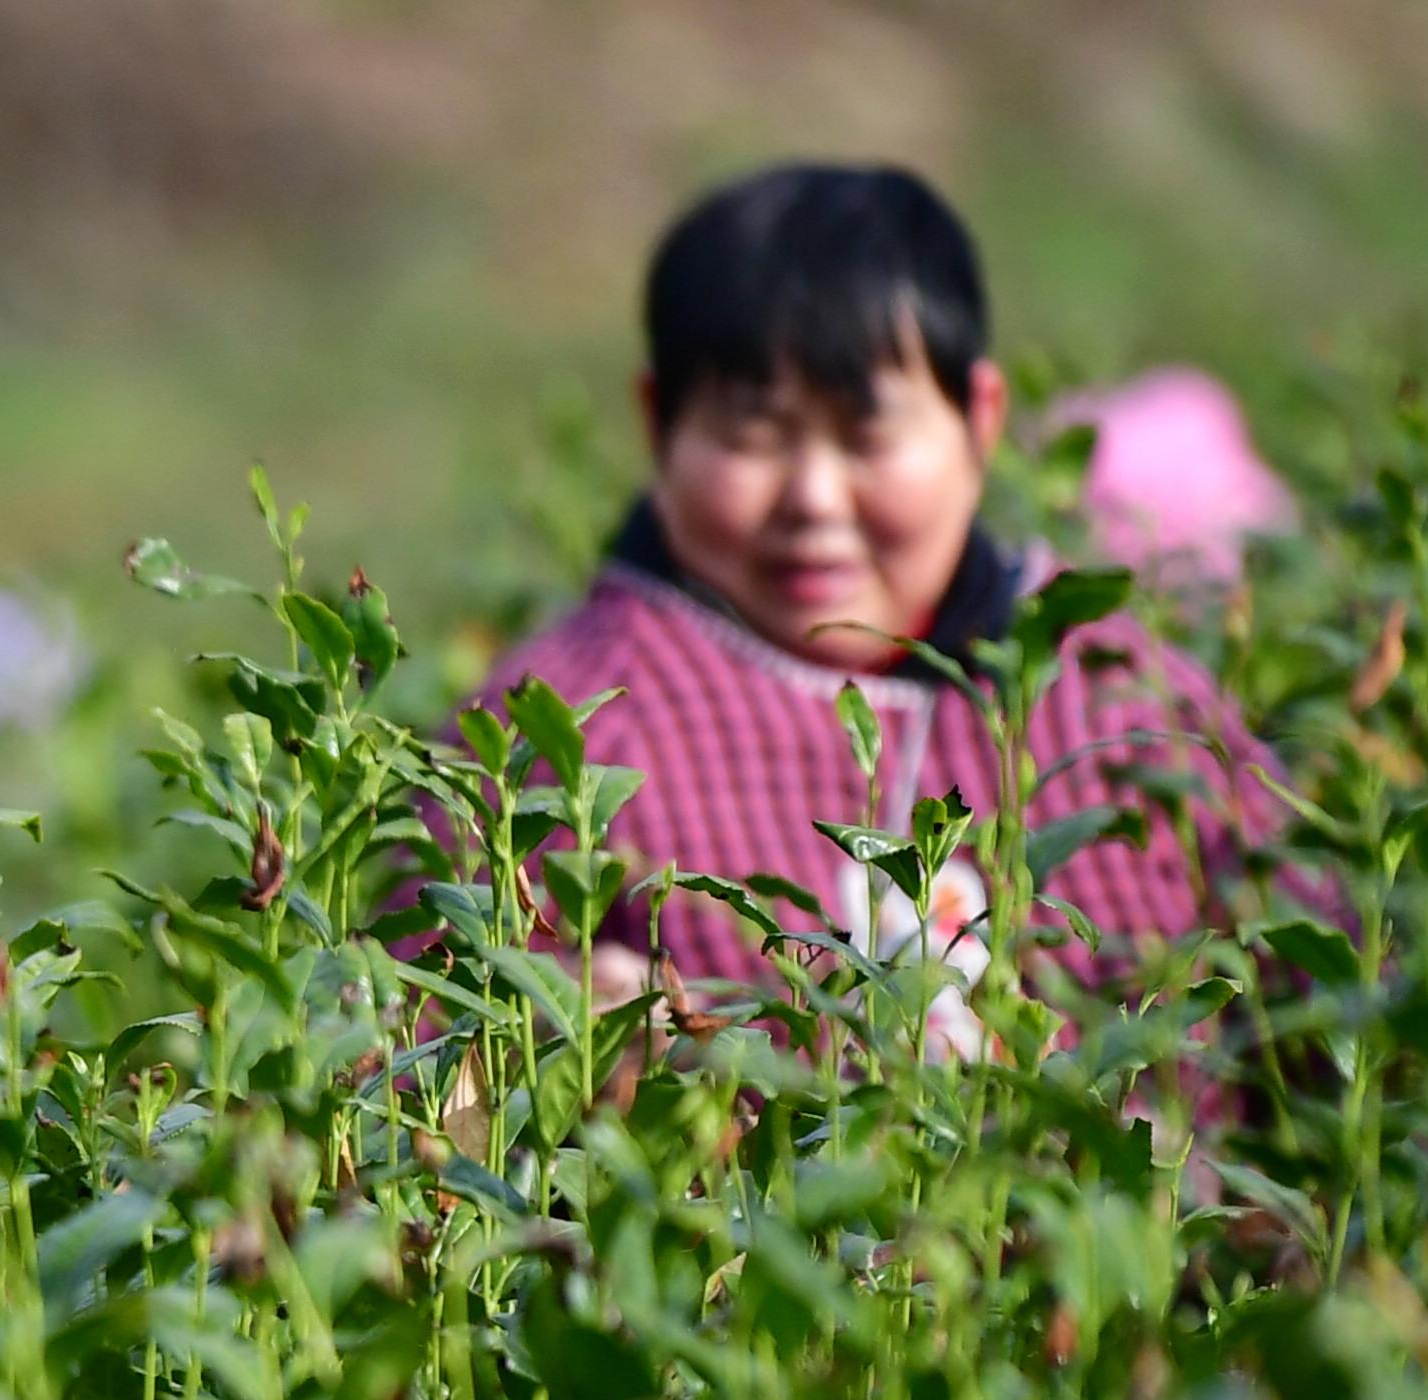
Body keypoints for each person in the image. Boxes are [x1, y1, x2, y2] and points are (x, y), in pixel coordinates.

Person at [468, 162, 1282, 1021]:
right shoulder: (563, 740)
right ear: (657, 427)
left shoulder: (1125, 704)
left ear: (980, 422)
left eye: (870, 433)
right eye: (754, 433)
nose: (814, 498)